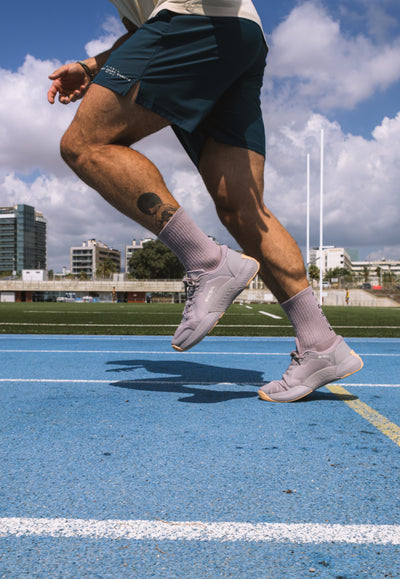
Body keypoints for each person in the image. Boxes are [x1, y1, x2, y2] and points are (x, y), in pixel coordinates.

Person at [47, 0, 363, 402]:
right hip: (240, 36)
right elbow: (138, 31)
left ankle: (207, 261)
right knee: (241, 208)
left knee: (84, 144)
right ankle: (321, 343)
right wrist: (91, 67)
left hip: (195, 18)